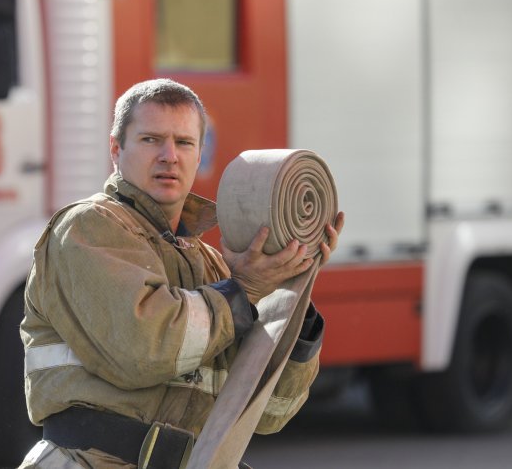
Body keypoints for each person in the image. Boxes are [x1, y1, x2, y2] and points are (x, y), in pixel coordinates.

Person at [19, 78, 345, 468]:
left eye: (184, 143)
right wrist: (242, 289)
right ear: (116, 148)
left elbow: (273, 412)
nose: (169, 156)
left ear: (199, 154)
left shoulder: (215, 266)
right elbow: (145, 347)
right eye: (151, 140)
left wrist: (292, 289)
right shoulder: (88, 228)